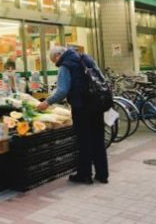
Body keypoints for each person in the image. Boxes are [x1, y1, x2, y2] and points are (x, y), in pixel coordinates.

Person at [38, 46, 109, 185]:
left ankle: (85, 175)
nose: (55, 63)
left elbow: (62, 91)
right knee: (98, 139)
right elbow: (101, 78)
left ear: (59, 55)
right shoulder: (86, 58)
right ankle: (103, 174)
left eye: (54, 60)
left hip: (81, 107)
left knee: (84, 142)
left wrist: (47, 102)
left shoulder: (65, 66)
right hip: (97, 105)